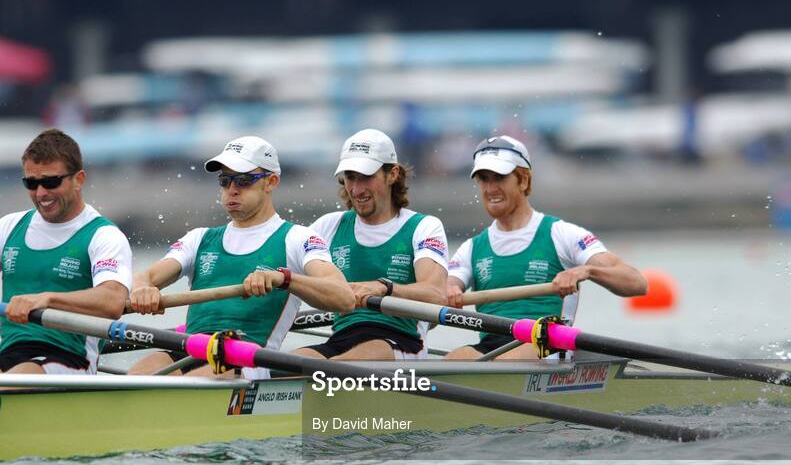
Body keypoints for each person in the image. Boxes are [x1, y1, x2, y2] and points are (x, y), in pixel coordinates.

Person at [128, 135, 353, 377]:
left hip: (247, 358)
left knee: (189, 382)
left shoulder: (298, 239)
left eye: (243, 180)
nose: (232, 190)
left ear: (271, 182)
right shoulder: (199, 238)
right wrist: (143, 288)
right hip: (193, 349)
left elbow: (344, 298)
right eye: (225, 181)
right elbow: (146, 276)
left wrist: (284, 279)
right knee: (142, 371)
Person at [0, 128, 132, 374]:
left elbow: (113, 301)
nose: (41, 193)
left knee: (20, 376)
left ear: (78, 180)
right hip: (13, 353)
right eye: (31, 183)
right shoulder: (9, 227)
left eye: (51, 182)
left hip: (71, 358)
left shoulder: (103, 235)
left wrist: (47, 299)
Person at [445, 135, 647, 360]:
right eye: (484, 179)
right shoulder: (471, 248)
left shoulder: (562, 234)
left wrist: (587, 271)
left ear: (523, 180)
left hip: (548, 343)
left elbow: (637, 283)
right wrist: (448, 290)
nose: (490, 188)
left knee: (503, 361)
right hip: (492, 348)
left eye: (500, 177)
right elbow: (446, 287)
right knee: (454, 359)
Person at [296, 128, 448, 360]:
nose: (356, 190)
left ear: (392, 174)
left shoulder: (424, 227)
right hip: (342, 339)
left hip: (402, 341)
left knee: (340, 364)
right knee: (287, 365)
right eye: (350, 177)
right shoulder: (328, 227)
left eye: (366, 177)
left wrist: (384, 288)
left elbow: (436, 295)